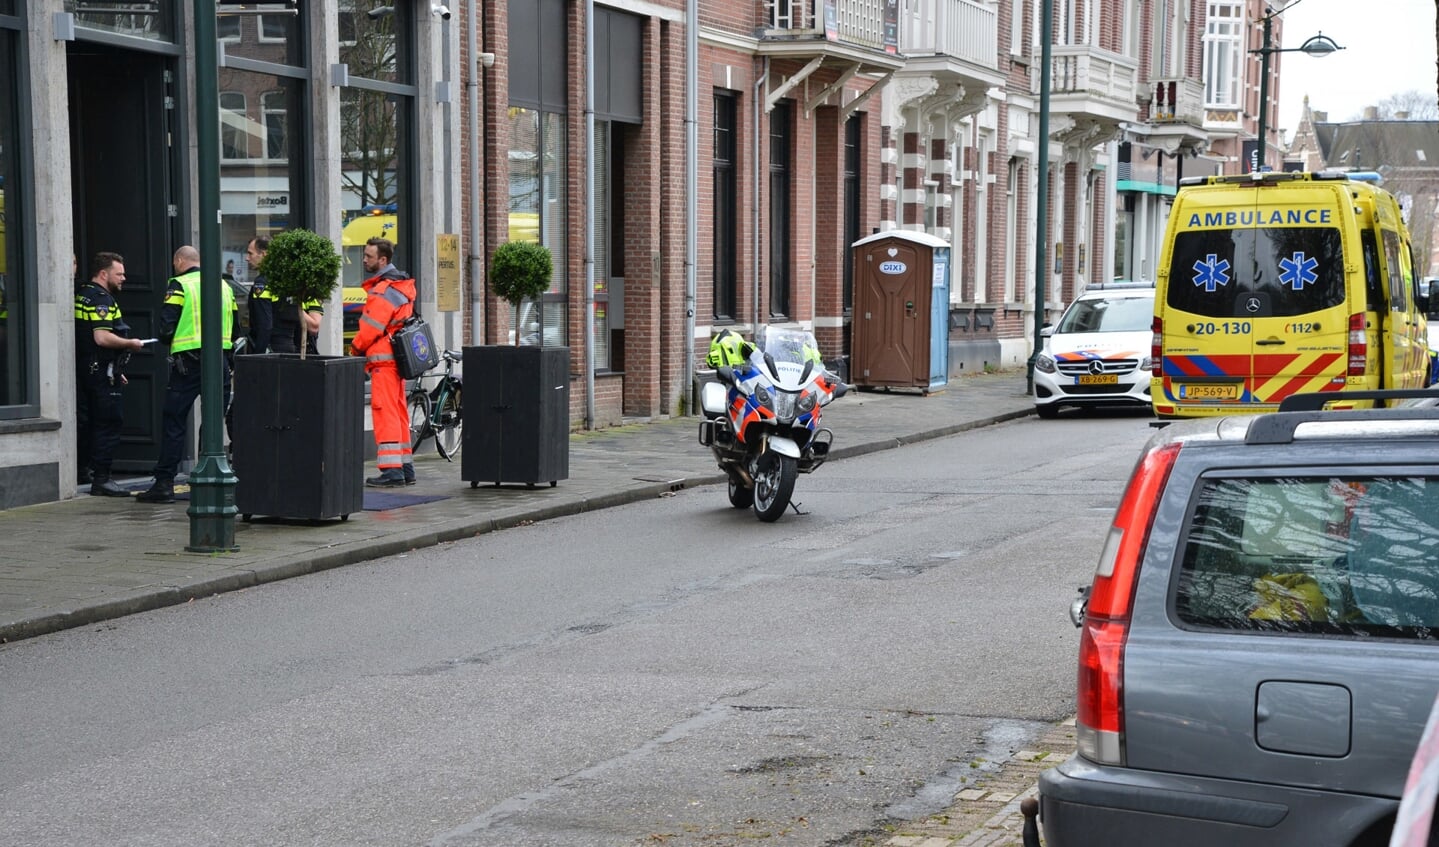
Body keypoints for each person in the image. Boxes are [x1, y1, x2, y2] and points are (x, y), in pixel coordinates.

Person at [135, 246, 239, 504]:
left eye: (174, 263)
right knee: (213, 421)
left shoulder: (179, 285)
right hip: (221, 361)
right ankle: (209, 479)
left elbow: (165, 329)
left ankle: (164, 484)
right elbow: (237, 328)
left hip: (188, 363)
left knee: (174, 420)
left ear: (179, 260)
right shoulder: (224, 287)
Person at [74, 252, 146, 497]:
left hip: (91, 369)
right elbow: (101, 337)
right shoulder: (101, 299)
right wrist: (130, 343)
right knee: (108, 423)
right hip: (99, 372)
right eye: (120, 273)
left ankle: (85, 471)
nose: (124, 278)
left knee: (89, 422)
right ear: (104, 274)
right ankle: (102, 479)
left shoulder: (83, 293)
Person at [349, 236, 417, 487]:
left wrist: (354, 349)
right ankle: (405, 466)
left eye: (368, 256)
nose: (364, 259)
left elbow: (369, 329)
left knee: (384, 412)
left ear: (383, 260)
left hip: (384, 363)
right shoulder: (401, 286)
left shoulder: (382, 291)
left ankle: (391, 470)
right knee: (399, 412)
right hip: (397, 361)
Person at [247, 235, 323, 355]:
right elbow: (298, 322)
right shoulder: (291, 283)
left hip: (271, 348)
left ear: (264, 254)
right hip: (291, 348)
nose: (247, 258)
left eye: (250, 253)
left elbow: (265, 325)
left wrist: (258, 355)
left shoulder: (263, 283)